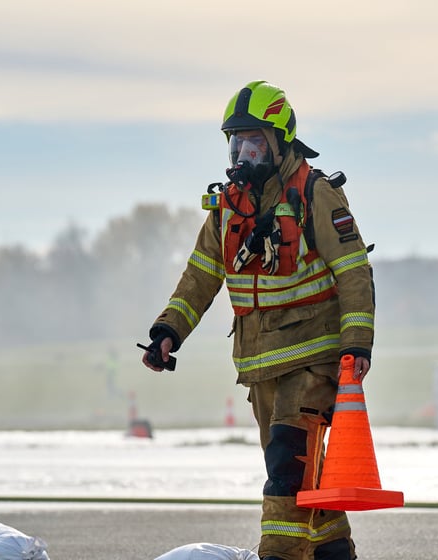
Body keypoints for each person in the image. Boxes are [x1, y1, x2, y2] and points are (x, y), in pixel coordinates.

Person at [141, 80, 375, 560]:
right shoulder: (228, 207)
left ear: (279, 142)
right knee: (305, 479)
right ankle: (334, 553)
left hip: (312, 363)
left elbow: (353, 271)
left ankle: (277, 554)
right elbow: (201, 275)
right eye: (237, 143)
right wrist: (168, 330)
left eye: (254, 142)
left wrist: (357, 346)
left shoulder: (315, 194)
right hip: (261, 368)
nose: (243, 154)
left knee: (287, 473)